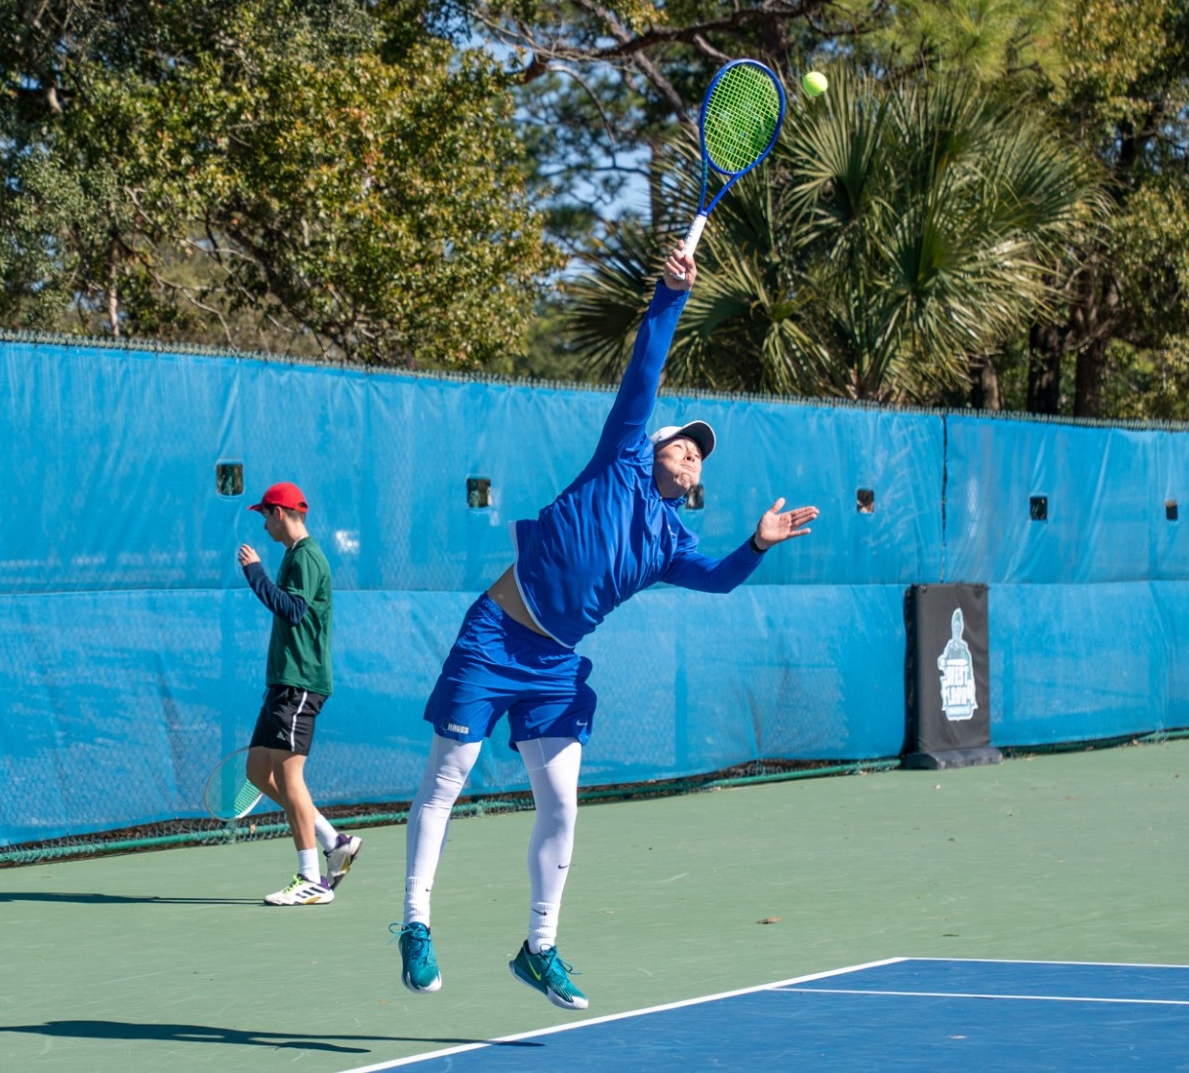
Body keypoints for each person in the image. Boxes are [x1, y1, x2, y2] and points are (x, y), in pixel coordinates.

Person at [392, 248, 819, 1008]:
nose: (689, 449)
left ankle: (540, 947)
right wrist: (670, 295)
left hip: (555, 667)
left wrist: (757, 545)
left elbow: (719, 580)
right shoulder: (619, 455)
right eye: (682, 439)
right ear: (654, 446)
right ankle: (416, 924)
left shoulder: (671, 544)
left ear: (694, 486)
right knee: (446, 781)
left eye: (699, 453)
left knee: (561, 805)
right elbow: (645, 371)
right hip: (493, 636)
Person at [235, 481, 362, 905]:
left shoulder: (307, 557)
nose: (264, 525)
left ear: (281, 513)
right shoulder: (293, 556)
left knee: (291, 778)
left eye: (265, 515)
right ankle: (333, 840)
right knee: (257, 772)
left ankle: (312, 879)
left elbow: (292, 610)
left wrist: (255, 573)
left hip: (301, 684)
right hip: (282, 683)